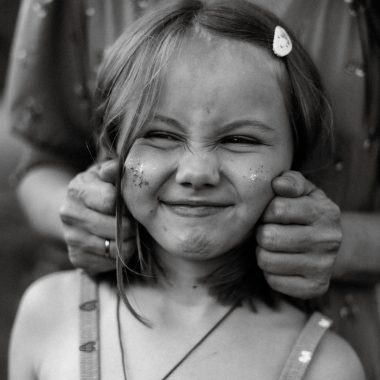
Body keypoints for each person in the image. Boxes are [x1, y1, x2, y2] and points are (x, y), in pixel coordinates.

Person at [5, 0, 380, 378]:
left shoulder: (326, 366)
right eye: (161, 134)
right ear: (111, 148)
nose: (197, 172)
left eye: (239, 139)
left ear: (296, 158)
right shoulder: (49, 316)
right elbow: (39, 161)